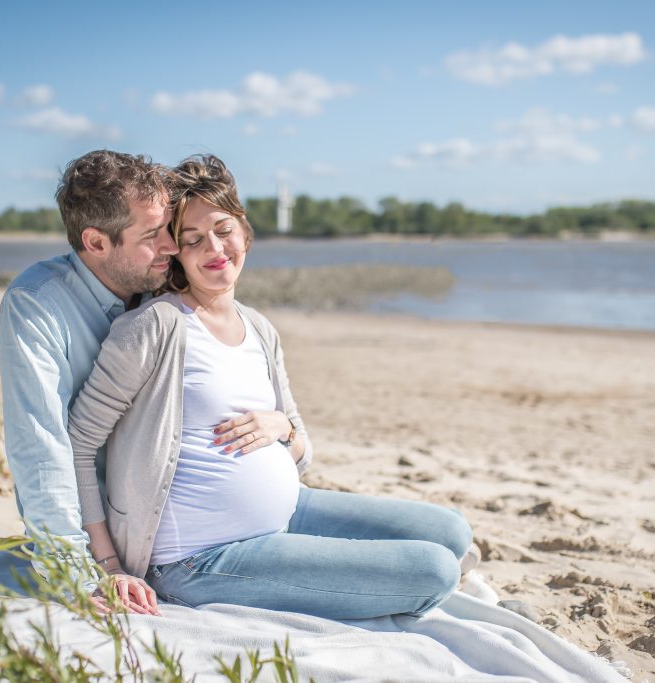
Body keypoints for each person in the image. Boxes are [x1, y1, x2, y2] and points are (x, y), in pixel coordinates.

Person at [68, 154, 474, 620]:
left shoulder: (259, 328)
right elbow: (79, 445)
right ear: (176, 253)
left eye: (223, 230)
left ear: (245, 232)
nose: (214, 248)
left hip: (288, 513)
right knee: (435, 570)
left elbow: (303, 453)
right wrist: (110, 566)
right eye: (192, 239)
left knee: (451, 530)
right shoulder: (154, 327)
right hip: (199, 559)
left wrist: (282, 426)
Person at [0, 149, 175, 614]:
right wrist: (76, 576)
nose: (172, 247)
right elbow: (42, 445)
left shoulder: (165, 285)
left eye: (170, 229)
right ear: (96, 242)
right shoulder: (36, 304)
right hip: (113, 534)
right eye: (154, 236)